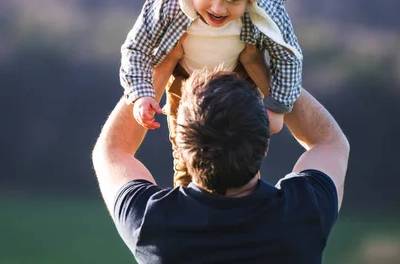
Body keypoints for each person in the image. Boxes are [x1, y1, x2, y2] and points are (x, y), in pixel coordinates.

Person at [93, 42, 350, 264]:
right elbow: (329, 142)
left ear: (181, 151)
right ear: (265, 147)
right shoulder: (304, 214)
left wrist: (163, 67)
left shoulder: (152, 225)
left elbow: (113, 151)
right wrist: (260, 70)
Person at [119, 0, 303, 187]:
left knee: (241, 158)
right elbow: (137, 48)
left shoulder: (265, 7)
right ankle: (187, 207)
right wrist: (141, 95)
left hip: (239, 79)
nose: (218, 8)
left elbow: (288, 56)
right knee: (187, 157)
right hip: (185, 80)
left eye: (233, 0)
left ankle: (245, 209)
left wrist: (277, 106)